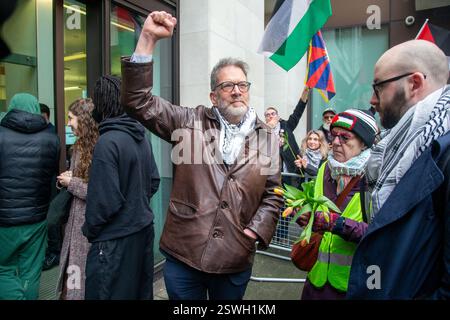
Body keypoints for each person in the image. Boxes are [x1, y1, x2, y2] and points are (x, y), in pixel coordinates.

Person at [120, 11, 282, 300]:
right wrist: (147, 39)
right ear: (213, 96)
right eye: (227, 86)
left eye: (242, 85)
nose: (236, 91)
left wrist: (255, 233)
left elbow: (273, 195)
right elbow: (138, 101)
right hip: (184, 256)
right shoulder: (188, 121)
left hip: (235, 257)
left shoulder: (267, 136)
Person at [347, 40, 450, 299]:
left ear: (414, 83)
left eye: (378, 87)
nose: (372, 99)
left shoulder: (443, 154)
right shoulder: (394, 144)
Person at [82, 75, 160, 300]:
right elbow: (154, 180)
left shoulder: (107, 142)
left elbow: (103, 204)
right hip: (142, 233)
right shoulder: (140, 137)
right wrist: (135, 204)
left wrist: (90, 231)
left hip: (114, 242)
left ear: (103, 103)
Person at [296, 109, 378, 300]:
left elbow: (382, 234)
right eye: (334, 136)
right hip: (316, 280)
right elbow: (316, 212)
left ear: (364, 143)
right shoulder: (325, 168)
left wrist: (336, 224)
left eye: (345, 137)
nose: (335, 142)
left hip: (355, 285)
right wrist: (306, 218)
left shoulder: (376, 175)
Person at [0, 93, 60, 299]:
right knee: (31, 270)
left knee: (3, 269)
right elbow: (50, 176)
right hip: (37, 218)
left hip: (5, 221)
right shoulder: (51, 138)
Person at [55, 98, 98, 300]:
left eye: (71, 118)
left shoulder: (99, 148)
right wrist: (69, 179)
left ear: (84, 119)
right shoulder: (79, 147)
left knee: (79, 288)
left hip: (87, 230)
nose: (69, 123)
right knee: (70, 286)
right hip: (74, 225)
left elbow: (100, 192)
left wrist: (71, 182)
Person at [265, 87, 309, 245]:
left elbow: (298, 111)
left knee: (289, 206)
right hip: (273, 176)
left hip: (291, 174)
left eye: (273, 114)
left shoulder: (287, 126)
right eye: (267, 115)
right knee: (277, 205)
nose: (270, 116)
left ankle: (281, 236)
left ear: (278, 116)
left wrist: (305, 94)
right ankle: (280, 237)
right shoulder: (263, 133)